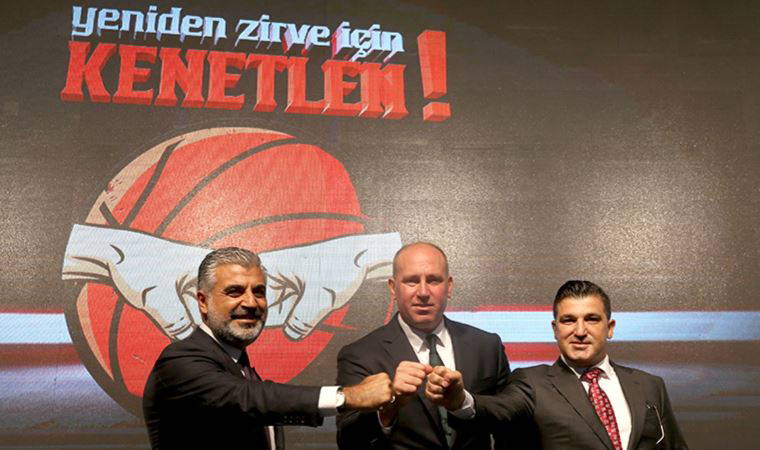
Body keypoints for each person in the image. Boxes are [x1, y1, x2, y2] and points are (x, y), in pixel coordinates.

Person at [142, 247, 393, 449]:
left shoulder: (241, 369)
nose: (251, 303)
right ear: (203, 301)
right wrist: (346, 397)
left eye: (259, 292)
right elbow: (248, 398)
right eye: (234, 291)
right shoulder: (179, 362)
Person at [426, 280, 689, 450]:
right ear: (555, 329)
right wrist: (461, 400)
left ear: (610, 328)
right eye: (568, 320)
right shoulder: (531, 383)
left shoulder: (649, 386)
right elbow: (498, 410)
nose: (580, 331)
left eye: (592, 319)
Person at [336, 242, 511, 449]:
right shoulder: (359, 355)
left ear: (449, 286)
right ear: (393, 287)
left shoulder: (487, 346)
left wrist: (465, 402)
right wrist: (389, 406)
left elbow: (510, 423)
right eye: (411, 281)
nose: (423, 292)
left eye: (433, 280)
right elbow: (348, 441)